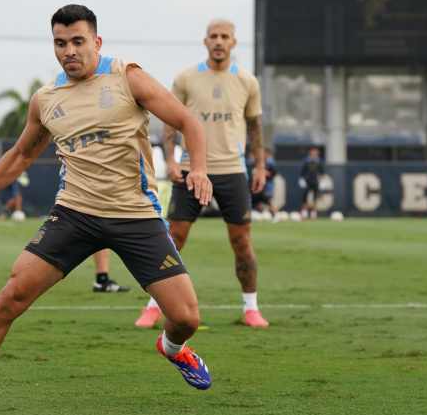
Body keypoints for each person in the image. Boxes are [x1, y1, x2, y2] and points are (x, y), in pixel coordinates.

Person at [0, 4, 214, 411]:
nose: (69, 50)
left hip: (136, 216)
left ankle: (172, 347)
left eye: (77, 41)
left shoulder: (128, 77)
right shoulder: (46, 98)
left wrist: (200, 169)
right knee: (12, 295)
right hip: (74, 214)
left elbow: (189, 122)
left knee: (187, 317)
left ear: (96, 42)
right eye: (60, 43)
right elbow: (20, 155)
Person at [134, 18, 270, 329]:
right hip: (190, 171)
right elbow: (170, 121)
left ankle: (251, 308)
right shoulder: (186, 78)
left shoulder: (248, 82)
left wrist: (259, 166)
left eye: (225, 37)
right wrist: (170, 159)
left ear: (234, 43)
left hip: (233, 170)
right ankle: (154, 306)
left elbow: (254, 126)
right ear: (205, 41)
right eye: (213, 36)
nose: (219, 41)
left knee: (241, 242)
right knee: (172, 240)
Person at [299, 147, 325, 219]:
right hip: (307, 181)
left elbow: (322, 172)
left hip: (316, 182)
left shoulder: (319, 162)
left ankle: (313, 213)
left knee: (315, 197)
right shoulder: (306, 161)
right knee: (305, 197)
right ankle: (304, 212)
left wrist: (322, 181)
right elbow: (303, 172)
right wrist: (301, 180)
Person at [251, 149, 277, 217]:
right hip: (257, 186)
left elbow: (274, 173)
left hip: (266, 185)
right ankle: (264, 213)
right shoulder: (255, 164)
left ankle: (276, 213)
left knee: (267, 200)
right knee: (258, 201)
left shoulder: (270, 163)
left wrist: (266, 173)